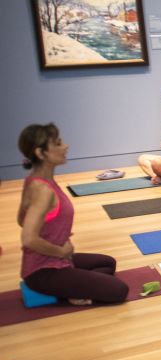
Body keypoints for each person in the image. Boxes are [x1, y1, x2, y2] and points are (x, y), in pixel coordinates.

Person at [18, 124, 128, 305]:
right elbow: (28, 239)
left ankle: (74, 286)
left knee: (108, 263)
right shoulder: (42, 190)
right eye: (58, 143)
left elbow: (21, 220)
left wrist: (56, 234)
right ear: (41, 153)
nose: (65, 146)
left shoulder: (34, 179)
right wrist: (61, 251)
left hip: (56, 259)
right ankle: (70, 292)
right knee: (119, 291)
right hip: (42, 271)